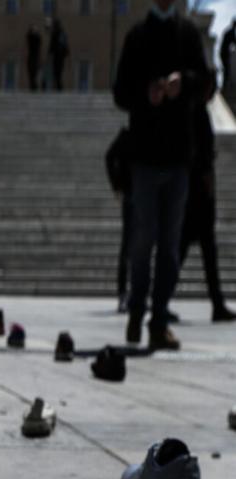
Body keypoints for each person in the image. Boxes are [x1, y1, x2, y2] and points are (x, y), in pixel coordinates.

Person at [113, 0, 210, 350]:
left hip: (178, 158)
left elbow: (206, 84)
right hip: (144, 157)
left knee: (170, 246)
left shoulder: (187, 34)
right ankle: (137, 311)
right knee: (142, 241)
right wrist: (147, 92)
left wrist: (183, 83)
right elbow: (120, 92)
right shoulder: (137, 36)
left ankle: (159, 319)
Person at [178, 74, 236, 323]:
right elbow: (199, 153)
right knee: (196, 251)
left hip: (194, 194)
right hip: (198, 195)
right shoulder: (198, 112)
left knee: (188, 251)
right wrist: (205, 176)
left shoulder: (194, 110)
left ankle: (216, 302)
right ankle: (215, 303)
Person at [105, 127, 132, 312]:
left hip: (147, 194)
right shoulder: (127, 134)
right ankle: (123, 293)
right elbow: (109, 157)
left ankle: (136, 293)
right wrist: (117, 185)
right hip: (132, 194)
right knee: (129, 245)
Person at [48, 18, 69, 91]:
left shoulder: (57, 33)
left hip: (58, 55)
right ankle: (59, 86)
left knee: (57, 71)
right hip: (60, 55)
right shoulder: (61, 33)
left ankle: (59, 86)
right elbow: (65, 44)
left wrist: (50, 52)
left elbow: (52, 44)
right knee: (58, 71)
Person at [26, 25, 42, 92]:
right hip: (31, 56)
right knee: (31, 71)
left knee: (34, 72)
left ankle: (34, 86)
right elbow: (28, 36)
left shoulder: (37, 38)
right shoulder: (30, 37)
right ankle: (33, 86)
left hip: (35, 56)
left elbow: (39, 42)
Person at [221, 18, 236, 88]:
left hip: (224, 53)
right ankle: (226, 85)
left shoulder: (230, 31)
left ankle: (226, 84)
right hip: (224, 53)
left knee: (226, 68)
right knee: (226, 69)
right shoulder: (230, 32)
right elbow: (234, 41)